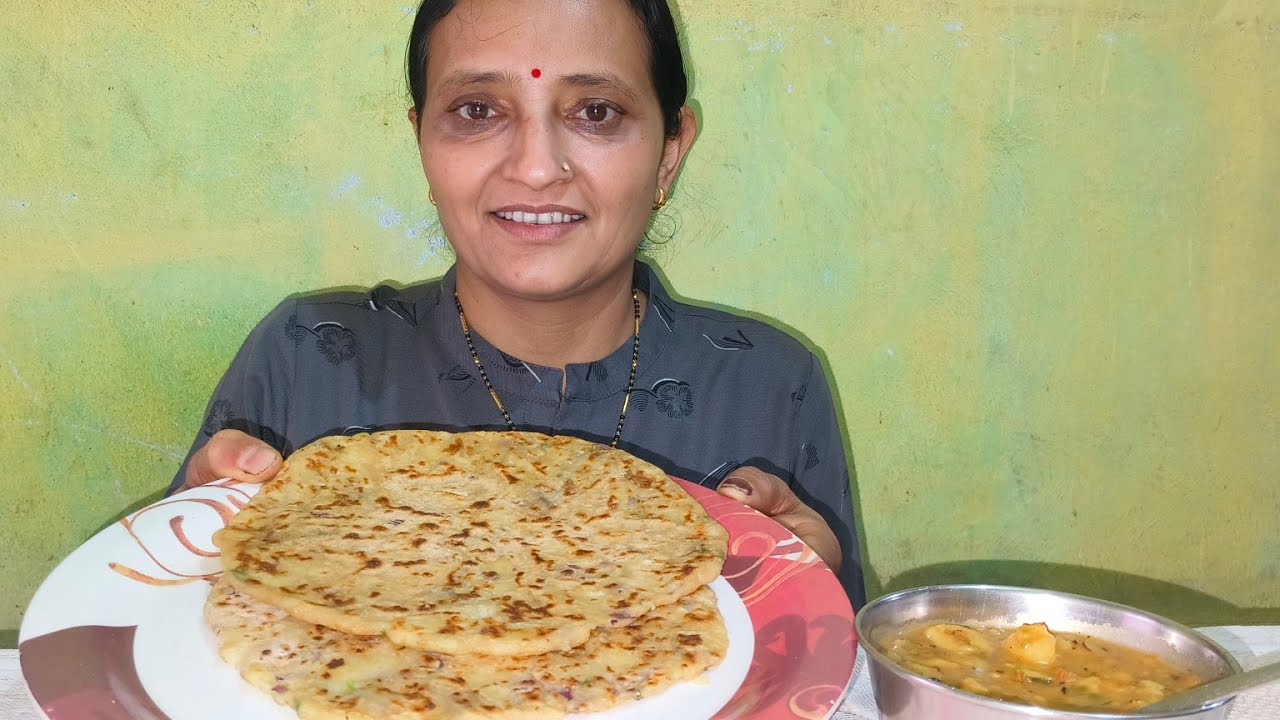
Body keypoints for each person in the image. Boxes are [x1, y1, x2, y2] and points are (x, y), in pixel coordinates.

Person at [172, 0, 865, 607]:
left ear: (669, 153)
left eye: (596, 112)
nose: (535, 168)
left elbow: (843, 674)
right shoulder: (306, 363)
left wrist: (804, 611)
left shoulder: (770, 388)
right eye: (477, 111)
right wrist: (182, 573)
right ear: (422, 141)